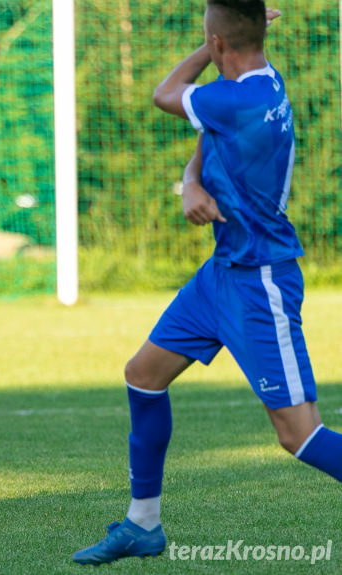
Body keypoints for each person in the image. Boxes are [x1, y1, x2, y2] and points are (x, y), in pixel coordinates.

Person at [72, 1, 342, 565]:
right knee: (143, 376)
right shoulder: (256, 86)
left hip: (259, 283)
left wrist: (208, 44)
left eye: (210, 38)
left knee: (300, 435)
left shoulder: (238, 94)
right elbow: (208, 126)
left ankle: (144, 524)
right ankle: (143, 525)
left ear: (218, 43)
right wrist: (191, 180)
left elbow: (166, 92)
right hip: (219, 275)